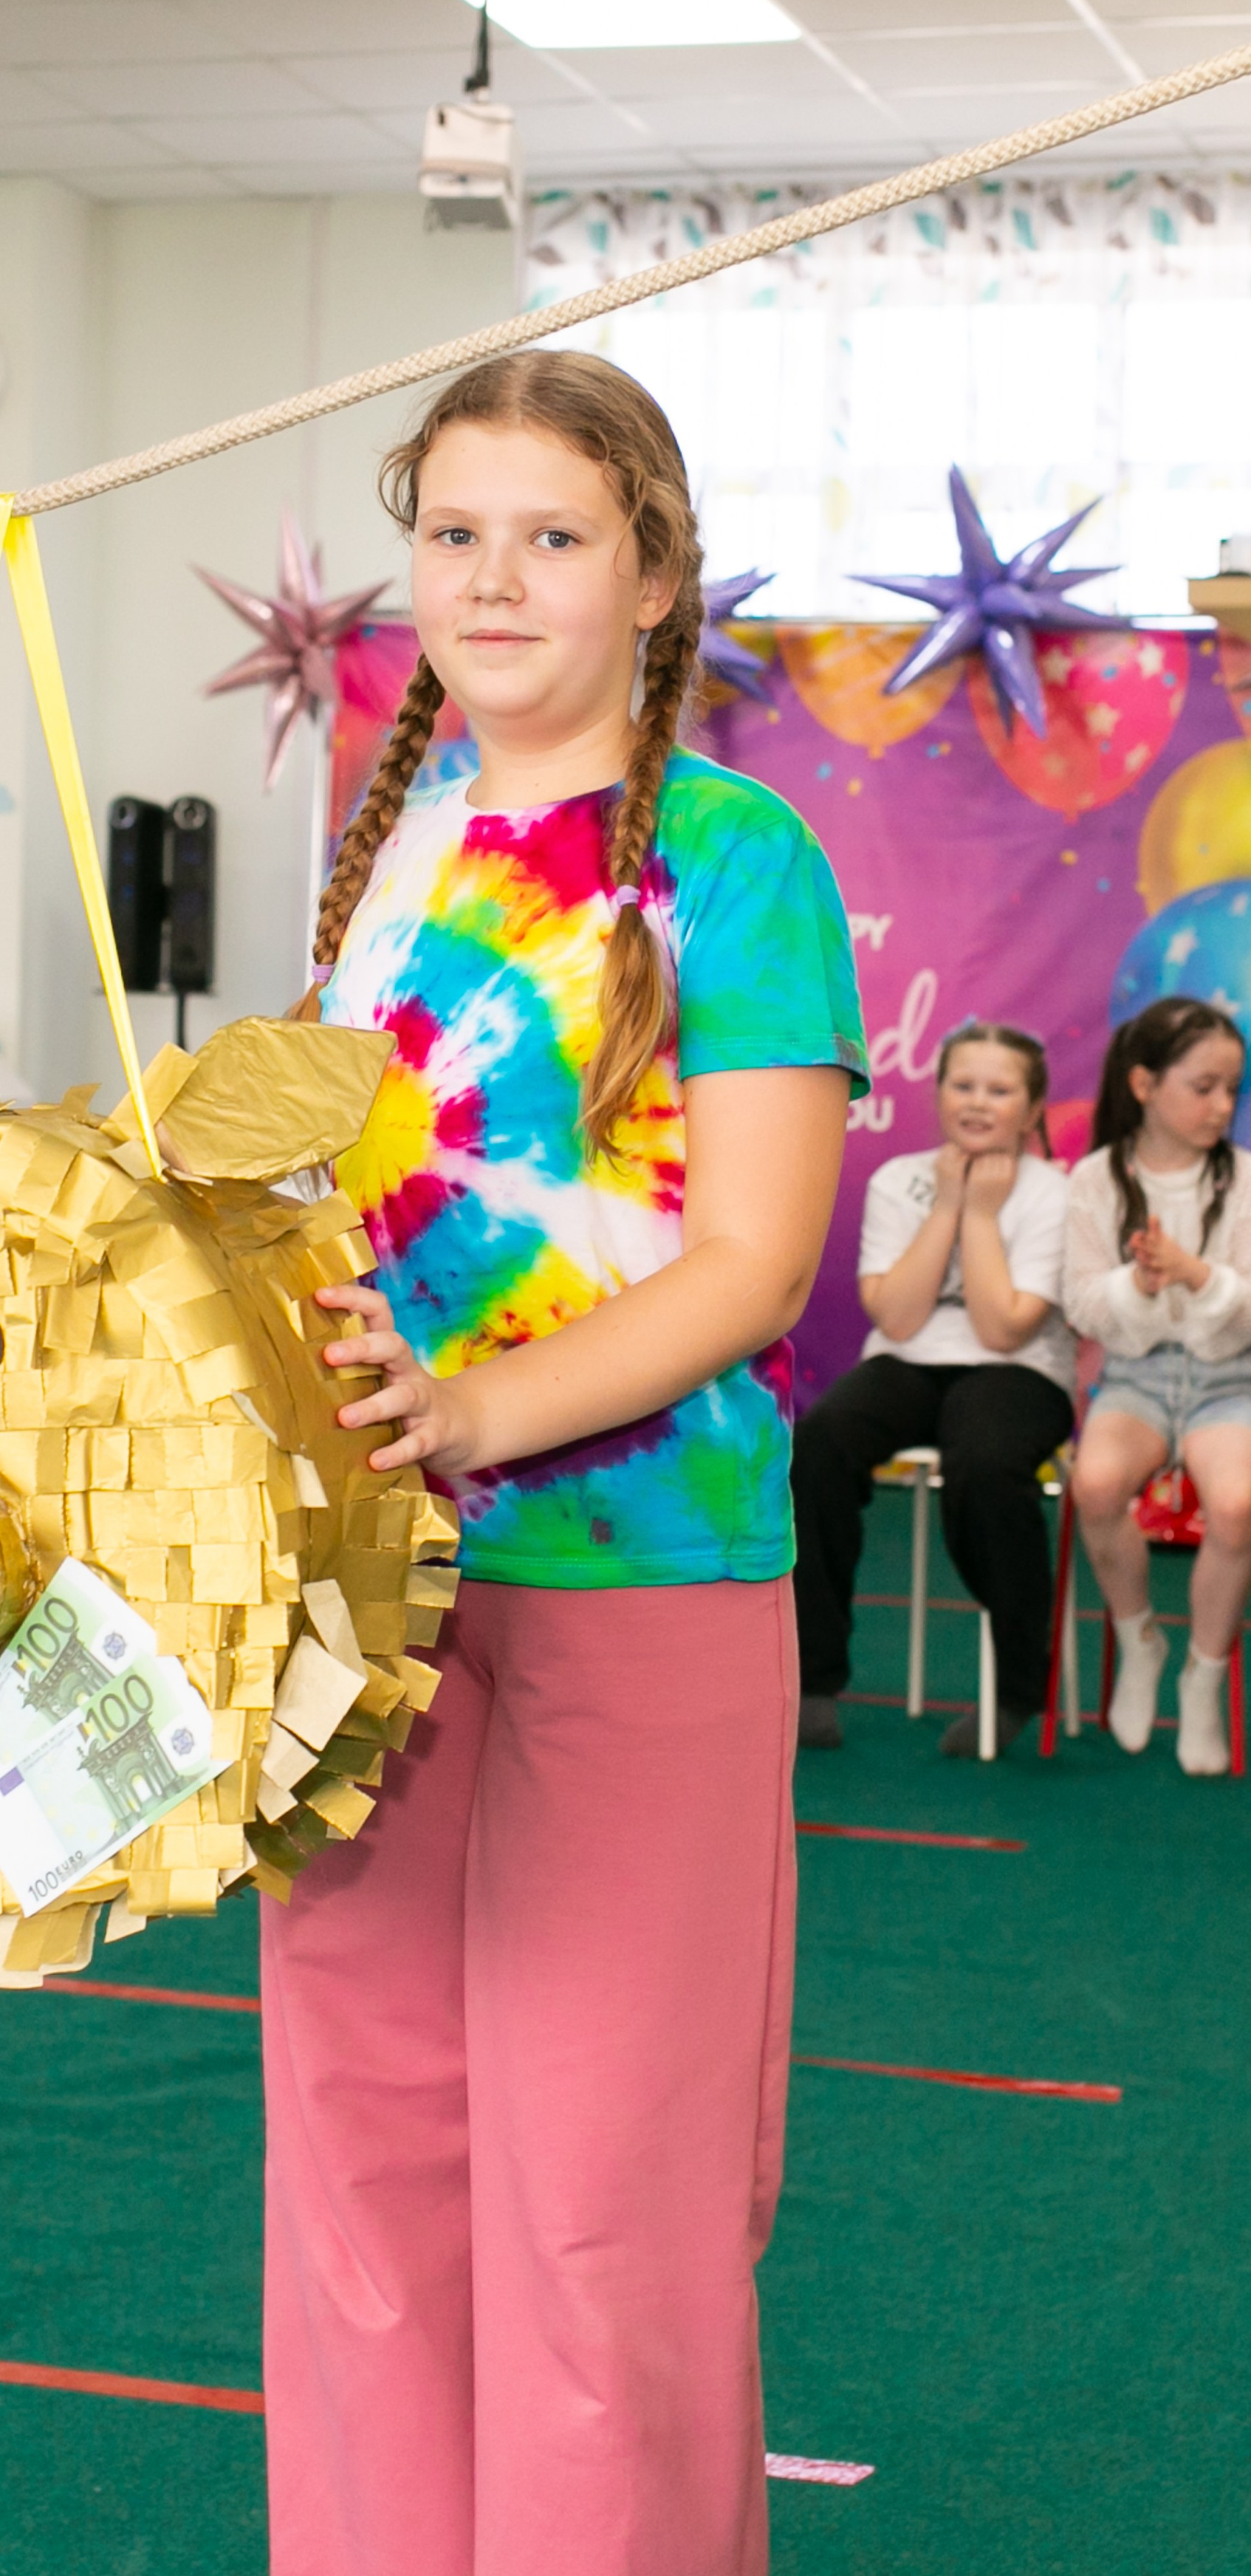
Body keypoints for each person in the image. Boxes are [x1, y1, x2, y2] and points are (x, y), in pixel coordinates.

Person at [269, 349, 866, 2576]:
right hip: (366, 1610)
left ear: (647, 571)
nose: (493, 575)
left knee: (600, 2202)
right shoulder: (377, 860)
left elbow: (755, 1257)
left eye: (549, 532)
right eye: (451, 531)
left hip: (645, 1585)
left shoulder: (734, 857)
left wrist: (480, 1413)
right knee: (365, 2181)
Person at [789, 1023, 1074, 1758]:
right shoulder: (899, 1180)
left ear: (1032, 1104)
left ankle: (1015, 1690)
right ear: (938, 1092)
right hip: (910, 1358)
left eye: (1000, 1090)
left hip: (1018, 1373)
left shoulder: (1054, 1192)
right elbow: (896, 1314)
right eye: (963, 1085)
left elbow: (1005, 1329)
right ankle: (813, 1679)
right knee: (819, 1442)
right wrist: (947, 1203)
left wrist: (980, 1213)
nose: (978, 1103)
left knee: (983, 1461)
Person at [1063, 996, 1251, 1776]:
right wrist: (1142, 1286)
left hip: (1228, 1380)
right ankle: (1138, 1635)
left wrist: (1197, 1275)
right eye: (1202, 1086)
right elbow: (1081, 1305)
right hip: (1135, 1378)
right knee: (1097, 1483)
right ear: (1143, 1084)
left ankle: (1203, 1674)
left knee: (1238, 1504)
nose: (1220, 1106)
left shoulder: (1240, 1179)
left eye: (1231, 1090)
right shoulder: (1095, 1179)